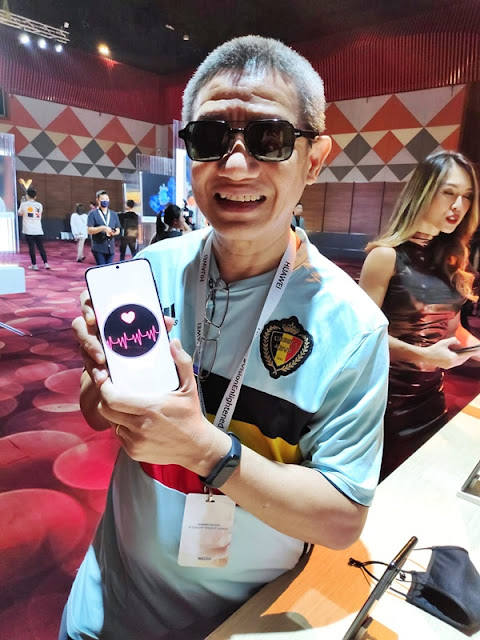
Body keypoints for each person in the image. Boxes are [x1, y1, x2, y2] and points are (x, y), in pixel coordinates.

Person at [63, 36, 389, 640]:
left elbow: (342, 519)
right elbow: (92, 411)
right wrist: (100, 382)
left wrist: (206, 452)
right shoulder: (151, 269)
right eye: (211, 138)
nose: (236, 167)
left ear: (314, 159)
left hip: (242, 622)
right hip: (106, 598)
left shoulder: (352, 328)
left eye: (270, 137)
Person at [359, 150, 480, 480]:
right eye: (449, 193)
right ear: (423, 192)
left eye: (467, 196)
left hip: (431, 398)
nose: (458, 206)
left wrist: (476, 349)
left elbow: (453, 330)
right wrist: (424, 355)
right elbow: (361, 339)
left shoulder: (448, 259)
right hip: (385, 404)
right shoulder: (385, 256)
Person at [18, 187, 50, 270]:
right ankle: (46, 263)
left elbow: (20, 213)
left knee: (31, 248)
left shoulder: (24, 204)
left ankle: (34, 265)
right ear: (35, 196)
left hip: (28, 230)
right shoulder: (39, 205)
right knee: (41, 247)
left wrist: (22, 203)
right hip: (38, 229)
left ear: (27, 195)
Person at [87, 190, 120, 265]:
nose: (105, 201)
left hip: (111, 247)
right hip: (99, 247)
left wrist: (114, 232)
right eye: (102, 199)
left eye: (107, 199)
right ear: (97, 200)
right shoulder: (93, 214)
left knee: (109, 268)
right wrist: (102, 228)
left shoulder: (113, 214)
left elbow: (118, 229)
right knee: (101, 267)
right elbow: (89, 230)